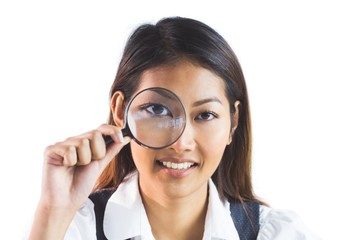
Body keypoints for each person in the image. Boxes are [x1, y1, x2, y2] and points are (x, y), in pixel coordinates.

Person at [28, 17, 320, 240]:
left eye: (205, 115)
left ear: (233, 122)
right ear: (121, 112)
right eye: (157, 110)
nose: (181, 143)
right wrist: (53, 211)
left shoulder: (278, 234)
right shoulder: (75, 229)